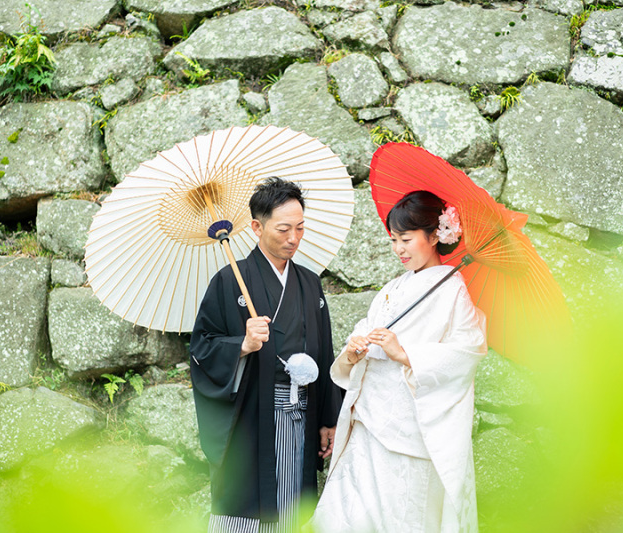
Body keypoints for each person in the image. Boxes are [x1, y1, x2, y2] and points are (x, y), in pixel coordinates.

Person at [312, 190, 488, 533]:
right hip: (368, 419)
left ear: (435, 235)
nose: (398, 249)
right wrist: (354, 350)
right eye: (394, 240)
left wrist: (405, 354)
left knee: (402, 513)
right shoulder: (393, 288)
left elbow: (468, 350)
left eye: (406, 239)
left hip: (410, 426)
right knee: (347, 515)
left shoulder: (452, 289)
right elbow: (366, 330)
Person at [190, 177, 342, 533]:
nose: (294, 238)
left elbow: (324, 351)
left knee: (291, 505)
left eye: (301, 228)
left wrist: (327, 418)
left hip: (302, 413)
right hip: (253, 413)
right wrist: (241, 345)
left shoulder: (309, 283)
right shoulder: (230, 281)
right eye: (284, 229)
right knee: (246, 506)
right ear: (257, 226)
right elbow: (201, 347)